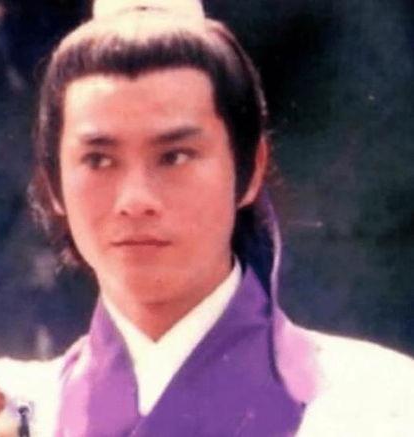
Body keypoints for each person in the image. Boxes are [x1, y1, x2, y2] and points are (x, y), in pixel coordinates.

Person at [27, 0, 414, 436]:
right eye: (98, 160)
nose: (135, 200)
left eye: (175, 156)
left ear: (251, 169)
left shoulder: (383, 405)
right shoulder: (11, 411)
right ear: (54, 184)